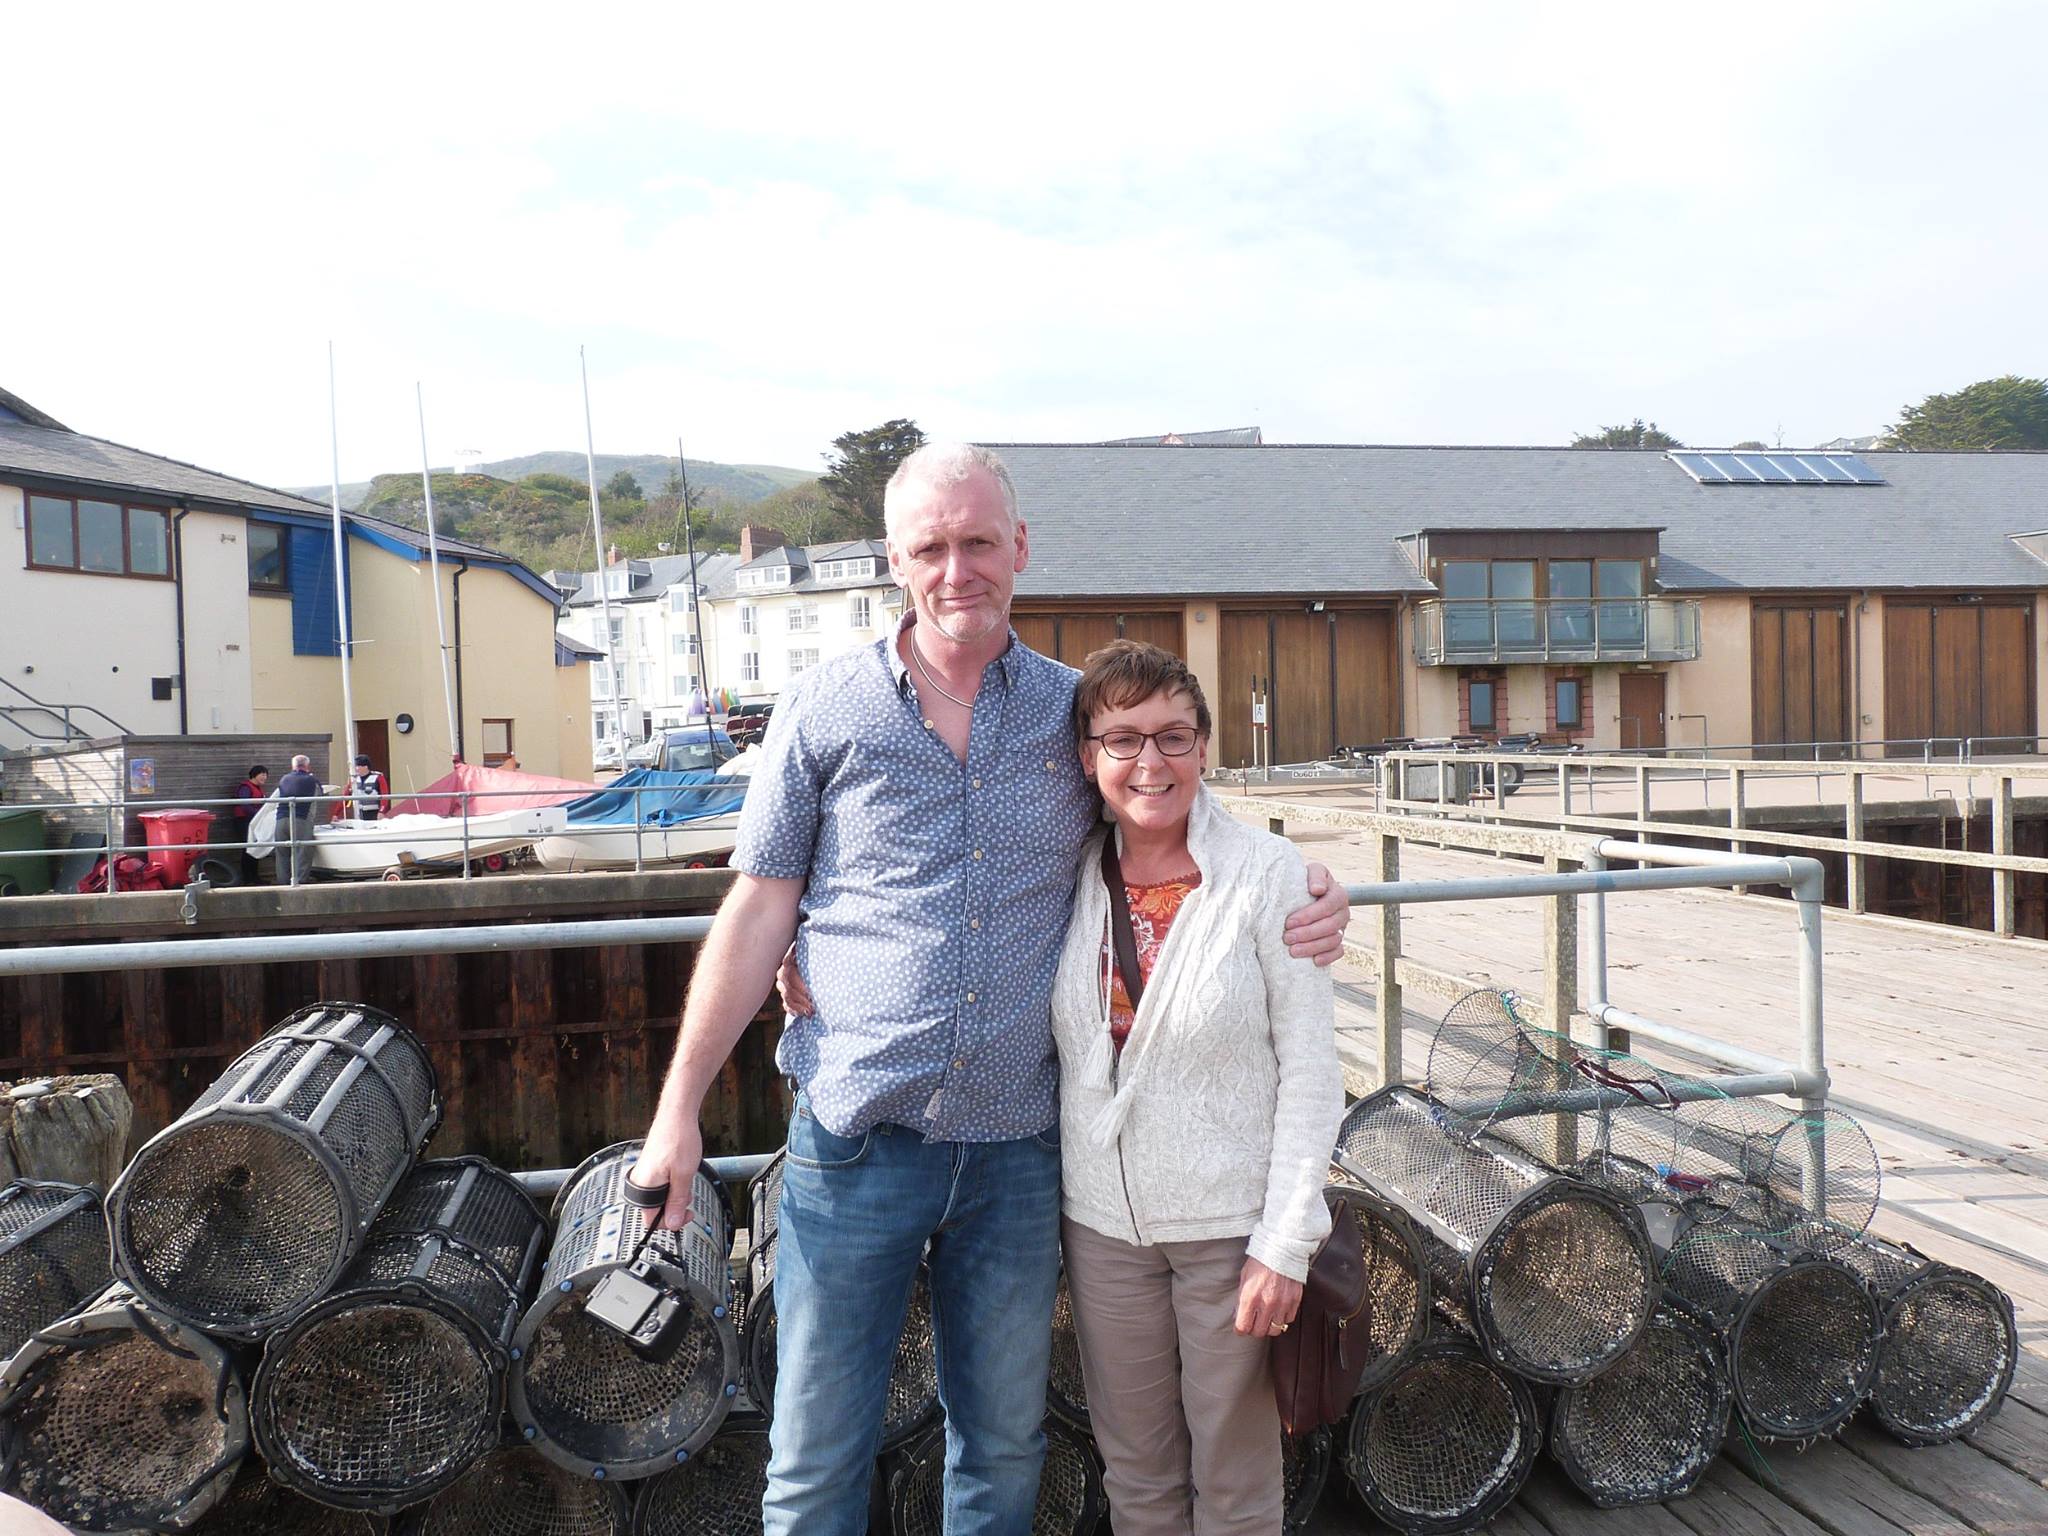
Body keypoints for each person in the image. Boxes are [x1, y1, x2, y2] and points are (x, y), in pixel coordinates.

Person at [630, 443, 1352, 1536]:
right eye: (930, 546)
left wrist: (1303, 880)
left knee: (1001, 1449)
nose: (955, 567)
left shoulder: (1071, 716)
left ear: (1019, 549)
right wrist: (677, 1112)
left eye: (977, 541)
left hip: (1019, 1151)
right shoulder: (823, 709)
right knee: (815, 1453)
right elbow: (758, 908)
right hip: (856, 1139)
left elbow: (1168, 808)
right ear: (894, 559)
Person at [1053, 640, 1343, 1535]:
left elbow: (1311, 1072)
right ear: (1088, 757)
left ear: (1207, 747)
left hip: (1230, 1232)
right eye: (1123, 739)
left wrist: (1284, 1243)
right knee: (1134, 1472)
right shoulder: (1063, 880)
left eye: (1174, 736)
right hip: (1105, 1227)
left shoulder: (1268, 877)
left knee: (1234, 1477)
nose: (1150, 763)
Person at [275, 755, 322, 886]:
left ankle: (283, 882)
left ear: (293, 766)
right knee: (303, 851)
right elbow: (318, 797)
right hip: (300, 819)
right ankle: (300, 881)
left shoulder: (284, 779)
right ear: (307, 766)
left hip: (281, 819)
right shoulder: (312, 780)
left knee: (282, 852)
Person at [232, 764, 269, 886]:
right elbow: (245, 804)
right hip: (244, 821)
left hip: (254, 821)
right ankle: (248, 878)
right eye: (262, 774)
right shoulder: (245, 787)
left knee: (255, 848)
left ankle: (255, 877)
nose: (265, 777)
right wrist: (258, 815)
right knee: (248, 849)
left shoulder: (257, 788)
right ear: (255, 774)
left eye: (266, 775)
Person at [345, 753, 389, 822]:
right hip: (358, 813)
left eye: (359, 766)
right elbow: (345, 797)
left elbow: (384, 796)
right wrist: (335, 814)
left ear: (366, 766)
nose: (356, 768)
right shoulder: (354, 779)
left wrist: (381, 811)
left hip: (374, 813)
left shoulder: (378, 777)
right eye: (356, 766)